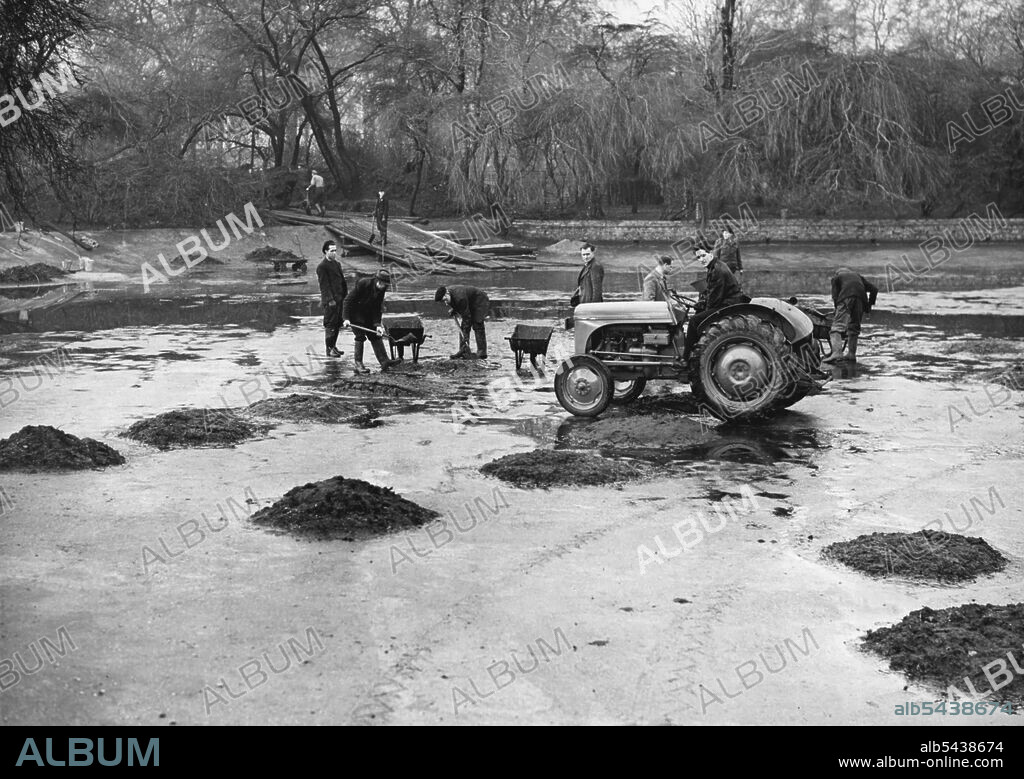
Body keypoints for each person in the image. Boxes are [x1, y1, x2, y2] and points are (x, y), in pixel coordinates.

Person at [683, 248, 747, 359]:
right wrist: (702, 303)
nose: (701, 259)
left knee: (694, 321)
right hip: (728, 302)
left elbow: (714, 299)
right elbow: (712, 293)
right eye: (698, 257)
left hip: (728, 305)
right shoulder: (716, 266)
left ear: (711, 253)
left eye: (703, 255)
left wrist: (704, 307)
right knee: (699, 313)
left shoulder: (717, 270)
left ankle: (686, 357)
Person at [343, 269, 400, 374]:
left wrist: (378, 324)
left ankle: (384, 361)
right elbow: (348, 300)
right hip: (355, 314)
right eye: (383, 284)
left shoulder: (382, 289)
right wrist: (346, 318)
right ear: (378, 281)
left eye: (385, 285)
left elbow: (377, 307)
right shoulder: (363, 283)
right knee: (360, 337)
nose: (384, 287)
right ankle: (358, 364)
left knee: (376, 335)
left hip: (368, 314)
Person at [822, 267, 878, 363]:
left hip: (846, 298)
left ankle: (837, 353)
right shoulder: (858, 276)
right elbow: (874, 289)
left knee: (836, 328)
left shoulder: (837, 277)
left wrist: (837, 309)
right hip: (861, 300)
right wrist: (869, 304)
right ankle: (851, 354)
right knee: (854, 328)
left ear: (837, 273)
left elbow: (835, 296)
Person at [435, 285, 490, 359]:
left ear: (447, 293)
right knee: (464, 327)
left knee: (477, 324)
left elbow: (466, 316)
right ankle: (463, 350)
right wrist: (454, 310)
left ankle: (482, 353)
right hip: (469, 301)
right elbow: (458, 305)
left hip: (479, 300)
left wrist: (465, 336)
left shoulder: (460, 297)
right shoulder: (450, 296)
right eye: (443, 301)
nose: (445, 303)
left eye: (445, 300)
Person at [316, 240, 347, 358]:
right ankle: (329, 349)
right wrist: (330, 300)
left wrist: (345, 296)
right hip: (331, 302)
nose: (334, 253)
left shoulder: (337, 264)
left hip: (340, 299)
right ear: (325, 251)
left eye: (335, 251)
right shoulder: (322, 267)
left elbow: (342, 282)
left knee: (338, 324)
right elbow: (324, 286)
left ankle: (333, 346)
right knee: (330, 325)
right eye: (332, 251)